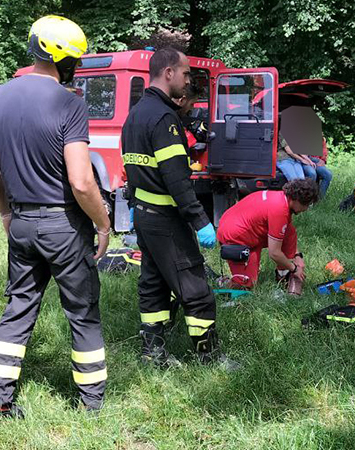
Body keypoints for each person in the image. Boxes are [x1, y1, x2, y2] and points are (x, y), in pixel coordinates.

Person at [0, 15, 110, 422]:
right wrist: (104, 225)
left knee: (18, 309)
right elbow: (83, 182)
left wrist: (5, 211)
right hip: (64, 226)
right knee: (82, 311)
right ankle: (92, 405)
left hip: (23, 224)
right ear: (62, 59)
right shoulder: (70, 103)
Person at [122, 47, 223, 368]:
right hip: (167, 220)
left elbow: (135, 170)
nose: (188, 80)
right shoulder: (164, 118)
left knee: (153, 284)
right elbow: (177, 180)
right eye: (186, 73)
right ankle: (210, 357)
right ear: (168, 73)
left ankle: (153, 354)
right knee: (195, 288)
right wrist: (200, 220)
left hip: (144, 217)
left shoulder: (136, 114)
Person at [217, 179, 319, 290]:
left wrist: (297, 256)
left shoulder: (282, 198)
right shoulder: (279, 210)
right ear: (298, 200)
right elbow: (274, 253)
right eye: (307, 205)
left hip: (248, 232)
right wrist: (294, 268)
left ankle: (282, 273)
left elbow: (288, 234)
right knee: (245, 284)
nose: (305, 209)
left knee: (289, 232)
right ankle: (222, 281)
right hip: (234, 237)